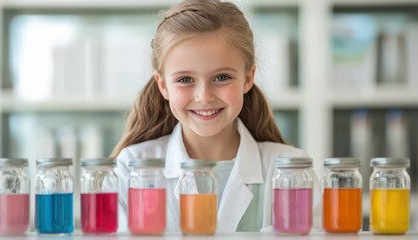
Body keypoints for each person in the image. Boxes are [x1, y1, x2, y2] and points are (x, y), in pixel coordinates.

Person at [112, 0, 314, 232]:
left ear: (248, 78)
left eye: (221, 77)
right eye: (185, 79)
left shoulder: (291, 169)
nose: (204, 97)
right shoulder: (131, 166)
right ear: (163, 85)